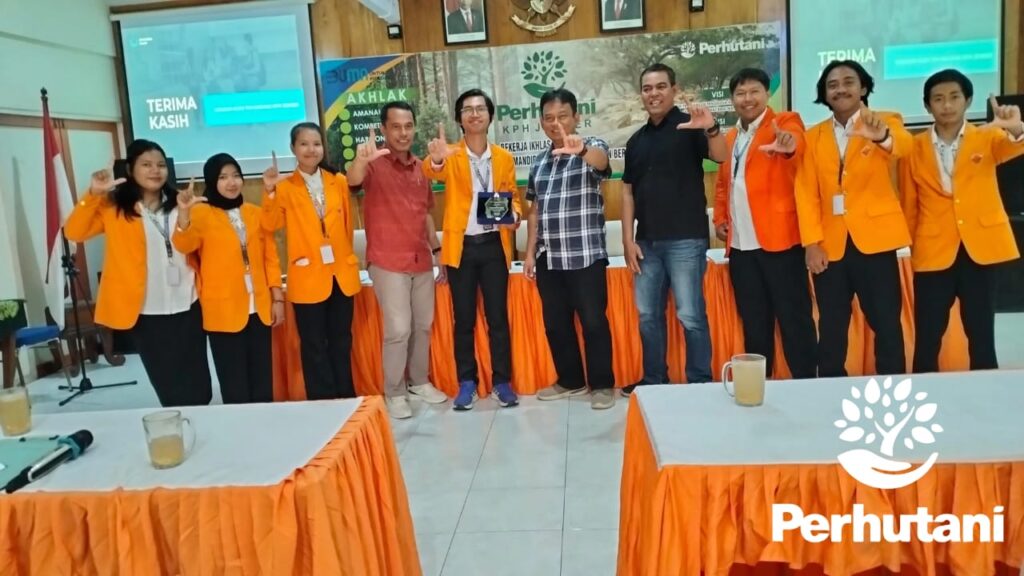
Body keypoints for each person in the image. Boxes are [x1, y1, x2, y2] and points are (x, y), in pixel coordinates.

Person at [65, 139, 211, 407]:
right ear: (131, 170)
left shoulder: (183, 203)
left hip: (189, 304)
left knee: (200, 384)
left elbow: (193, 246)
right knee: (168, 385)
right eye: (146, 165)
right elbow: (74, 231)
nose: (155, 170)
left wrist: (185, 215)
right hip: (146, 311)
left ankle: (200, 420)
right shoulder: (114, 208)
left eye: (160, 165)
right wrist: (93, 194)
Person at [900, 69, 1024, 373]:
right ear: (927, 105)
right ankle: (924, 393)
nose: (947, 105)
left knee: (981, 334)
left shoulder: (988, 136)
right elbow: (909, 202)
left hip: (979, 250)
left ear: (967, 101)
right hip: (932, 252)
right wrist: (910, 247)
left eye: (954, 97)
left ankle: (987, 394)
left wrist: (1017, 128)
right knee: (928, 337)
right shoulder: (913, 147)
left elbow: (1015, 145)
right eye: (938, 99)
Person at [795, 60, 913, 377]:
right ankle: (831, 386)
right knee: (832, 326)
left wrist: (881, 136)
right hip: (829, 247)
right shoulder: (813, 136)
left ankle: (892, 386)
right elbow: (806, 192)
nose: (841, 89)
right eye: (832, 85)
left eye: (849, 82)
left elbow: (904, 147)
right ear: (824, 94)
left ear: (863, 88)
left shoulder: (886, 120)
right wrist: (811, 243)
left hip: (875, 241)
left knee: (886, 322)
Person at [621, 63, 729, 394]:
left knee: (690, 315)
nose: (653, 94)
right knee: (647, 317)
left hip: (686, 240)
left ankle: (699, 382)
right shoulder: (635, 141)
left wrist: (711, 129)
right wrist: (627, 240)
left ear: (674, 90)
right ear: (641, 94)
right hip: (646, 243)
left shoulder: (690, 126)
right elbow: (627, 192)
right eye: (647, 88)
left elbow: (721, 156)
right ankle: (654, 380)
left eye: (660, 87)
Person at [712, 68, 818, 379]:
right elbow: (724, 185)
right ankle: (757, 385)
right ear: (732, 99)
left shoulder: (784, 122)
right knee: (754, 322)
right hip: (741, 249)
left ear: (766, 93)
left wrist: (788, 144)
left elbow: (796, 141)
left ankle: (806, 383)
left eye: (754, 91)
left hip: (780, 243)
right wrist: (720, 218)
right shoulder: (730, 138)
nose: (748, 99)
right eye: (740, 93)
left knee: (794, 319)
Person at [346, 102, 449, 419]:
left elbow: (426, 214)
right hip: (387, 261)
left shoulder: (421, 167)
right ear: (384, 129)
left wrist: (437, 250)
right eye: (395, 127)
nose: (403, 133)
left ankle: (419, 382)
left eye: (408, 126)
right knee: (398, 329)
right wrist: (360, 161)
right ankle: (394, 391)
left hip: (421, 260)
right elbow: (352, 180)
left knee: (422, 326)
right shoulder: (373, 165)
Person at [423, 89, 522, 411]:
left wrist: (514, 215)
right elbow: (431, 170)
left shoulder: (503, 158)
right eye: (468, 109)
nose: (475, 114)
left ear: (490, 116)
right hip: (462, 248)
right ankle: (466, 382)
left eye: (481, 108)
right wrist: (437, 158)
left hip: (494, 247)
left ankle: (502, 382)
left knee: (498, 319)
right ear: (459, 118)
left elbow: (513, 196)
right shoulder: (450, 154)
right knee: (463, 319)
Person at [525, 89, 616, 410]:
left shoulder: (592, 147)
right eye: (549, 118)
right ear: (541, 122)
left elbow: (602, 163)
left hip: (585, 254)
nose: (556, 123)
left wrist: (582, 151)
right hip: (549, 257)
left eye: (562, 116)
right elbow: (534, 210)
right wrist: (529, 252)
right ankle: (571, 380)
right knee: (556, 324)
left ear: (576, 117)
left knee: (593, 322)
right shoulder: (539, 163)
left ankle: (602, 385)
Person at [172, 153, 284, 404]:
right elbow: (184, 244)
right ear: (212, 182)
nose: (231, 183)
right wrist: (184, 215)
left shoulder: (253, 213)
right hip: (223, 309)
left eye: (235, 176)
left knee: (263, 380)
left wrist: (277, 297)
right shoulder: (201, 214)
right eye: (223, 177)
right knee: (234, 384)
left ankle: (265, 422)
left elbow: (270, 257)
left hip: (259, 306)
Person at [261, 123, 361, 400]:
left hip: (341, 274)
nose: (311, 149)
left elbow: (346, 226)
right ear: (293, 148)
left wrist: (347, 258)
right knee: (314, 344)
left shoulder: (337, 181)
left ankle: (346, 397)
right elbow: (270, 225)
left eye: (316, 144)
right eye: (304, 144)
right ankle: (323, 400)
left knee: (342, 340)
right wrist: (269, 192)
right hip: (307, 277)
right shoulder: (284, 187)